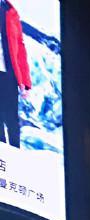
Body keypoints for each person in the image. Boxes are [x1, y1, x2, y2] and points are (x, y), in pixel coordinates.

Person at [0, 2, 31, 150]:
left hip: (8, 75)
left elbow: (20, 48)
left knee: (11, 119)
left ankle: (15, 157)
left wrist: (25, 81)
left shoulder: (11, 12)